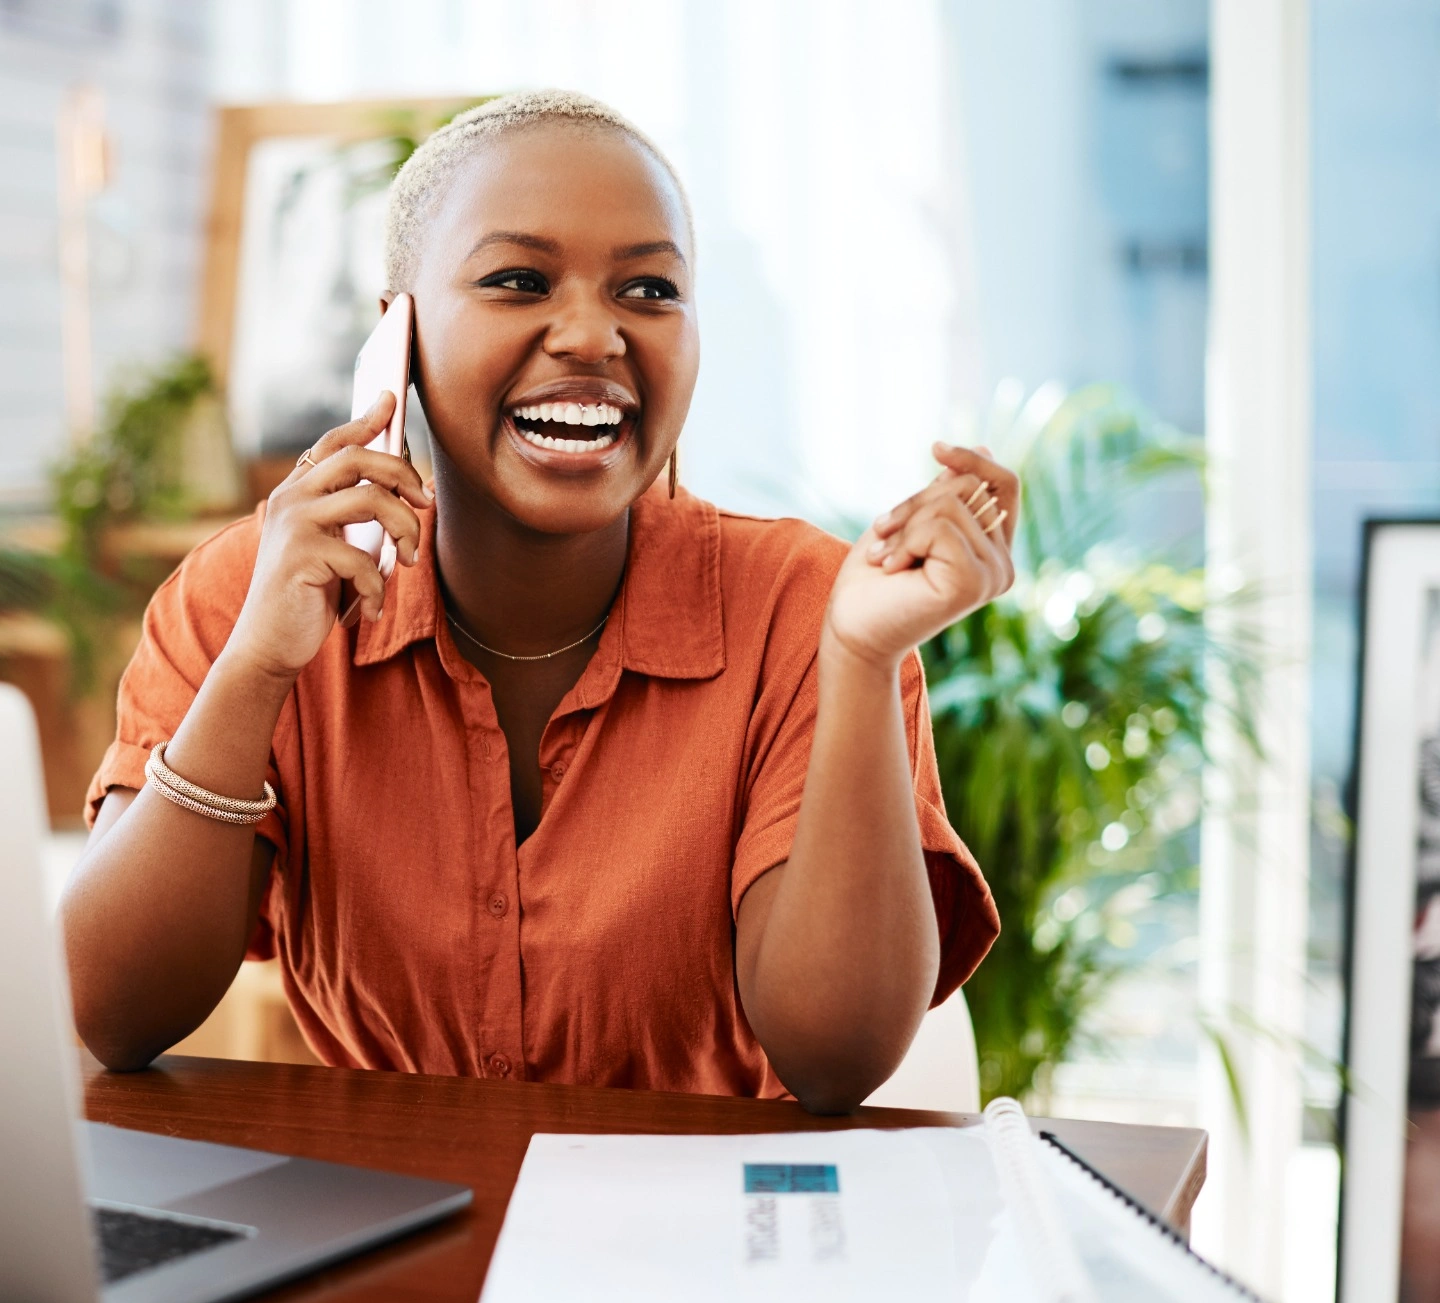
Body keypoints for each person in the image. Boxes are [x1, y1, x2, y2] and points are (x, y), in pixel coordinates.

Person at [60, 91, 1012, 1113]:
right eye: (518, 280)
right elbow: (115, 1015)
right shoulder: (244, 597)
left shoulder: (807, 611)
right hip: (400, 1227)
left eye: (648, 290)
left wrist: (862, 662)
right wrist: (254, 671)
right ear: (398, 337)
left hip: (703, 1233)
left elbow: (835, 1054)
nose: (591, 334)